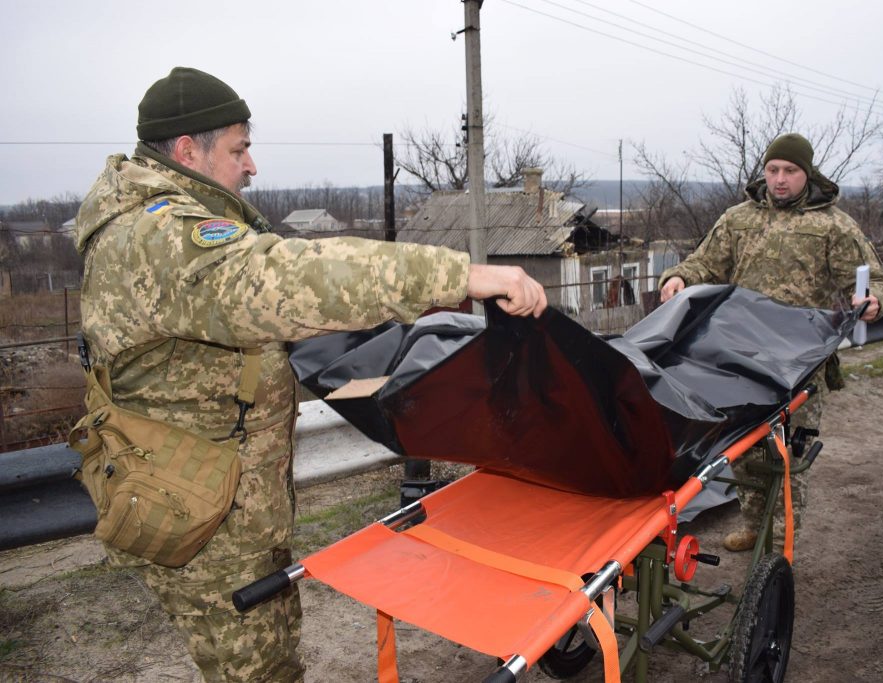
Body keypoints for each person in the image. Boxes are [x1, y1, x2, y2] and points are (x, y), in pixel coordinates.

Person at [73, 66, 546, 683]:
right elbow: (286, 278)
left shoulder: (164, 218)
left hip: (219, 499)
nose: (251, 166)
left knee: (272, 654)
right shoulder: (160, 235)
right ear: (188, 151)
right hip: (204, 520)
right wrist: (460, 277)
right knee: (258, 672)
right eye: (239, 149)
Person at [658, 133, 883, 553]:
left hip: (799, 359)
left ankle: (781, 546)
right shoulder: (738, 219)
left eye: (790, 171)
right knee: (744, 448)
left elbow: (871, 278)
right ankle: (754, 525)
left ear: (807, 173)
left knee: (786, 454)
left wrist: (873, 300)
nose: (779, 180)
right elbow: (703, 262)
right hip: (740, 354)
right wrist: (678, 277)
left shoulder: (832, 225)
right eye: (772, 170)